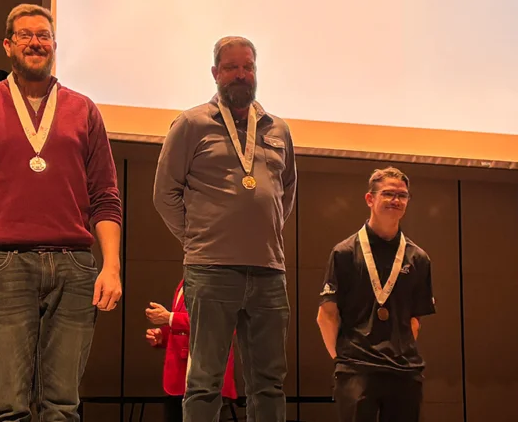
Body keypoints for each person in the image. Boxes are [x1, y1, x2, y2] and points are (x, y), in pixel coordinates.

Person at [0, 3, 123, 421]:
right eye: (25, 35)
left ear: (55, 46)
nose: (35, 42)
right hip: (5, 265)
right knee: (7, 404)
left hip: (75, 267)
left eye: (43, 36)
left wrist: (110, 265)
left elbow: (106, 196)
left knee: (63, 404)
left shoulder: (84, 109)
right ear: (8, 45)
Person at [153, 36, 298, 421]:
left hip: (269, 273)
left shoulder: (278, 129)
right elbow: (164, 193)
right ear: (216, 73)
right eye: (232, 67)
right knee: (204, 382)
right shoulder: (191, 123)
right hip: (211, 270)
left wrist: (261, 233)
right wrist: (198, 239)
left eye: (248, 67)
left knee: (269, 383)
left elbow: (285, 195)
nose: (241, 74)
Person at [316, 167, 436, 422]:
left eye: (402, 196)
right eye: (388, 194)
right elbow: (326, 316)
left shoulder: (418, 258)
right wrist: (344, 362)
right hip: (358, 370)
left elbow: (414, 321)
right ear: (370, 199)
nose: (396, 200)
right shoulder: (344, 253)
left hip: (405, 371)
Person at [145, 279, 238, 421]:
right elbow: (189, 326)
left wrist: (170, 318)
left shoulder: (222, 282)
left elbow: (220, 324)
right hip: (178, 381)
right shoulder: (185, 281)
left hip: (208, 379)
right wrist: (162, 336)